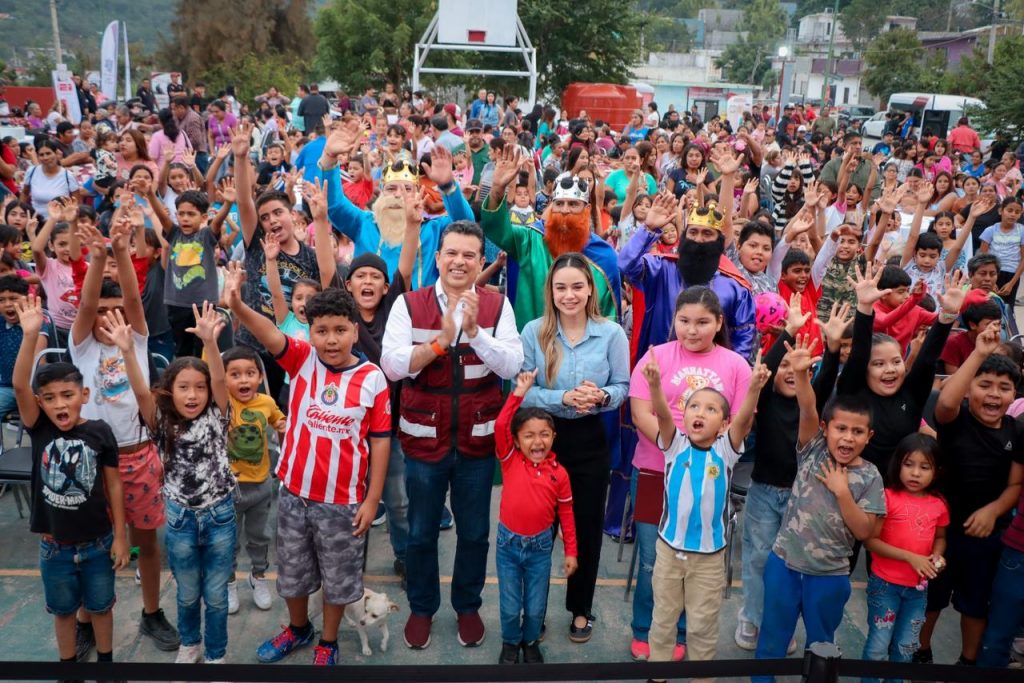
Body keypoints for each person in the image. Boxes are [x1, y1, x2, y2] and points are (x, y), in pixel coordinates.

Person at [226, 267, 391, 667]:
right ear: (310, 333)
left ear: (355, 331)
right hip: (294, 496)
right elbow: (269, 332)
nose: (331, 339)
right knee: (293, 574)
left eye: (340, 330)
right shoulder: (301, 360)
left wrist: (372, 499)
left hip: (343, 502)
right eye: (321, 331)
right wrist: (237, 306)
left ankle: (328, 642)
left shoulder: (373, 378)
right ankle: (298, 628)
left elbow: (380, 441)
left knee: (338, 579)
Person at [381, 221, 523, 650]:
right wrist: (440, 343)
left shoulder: (497, 306)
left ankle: (467, 606)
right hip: (424, 442)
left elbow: (512, 365)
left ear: (481, 262)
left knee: (475, 533)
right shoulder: (409, 304)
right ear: (438, 257)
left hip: (477, 444)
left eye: (469, 255)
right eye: (452, 253)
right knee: (421, 532)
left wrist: (475, 334)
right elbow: (392, 365)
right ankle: (422, 608)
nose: (459, 262)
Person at [69, 214, 180, 656]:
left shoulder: (134, 341)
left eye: (115, 312)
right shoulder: (81, 346)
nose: (107, 319)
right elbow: (85, 304)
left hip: (137, 455)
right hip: (93, 461)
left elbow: (133, 297)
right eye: (100, 312)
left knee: (146, 542)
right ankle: (85, 617)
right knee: (91, 547)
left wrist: (120, 249)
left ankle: (152, 611)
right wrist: (98, 257)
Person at [627, 286, 753, 661]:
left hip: (708, 475)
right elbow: (641, 412)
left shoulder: (736, 365)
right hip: (654, 468)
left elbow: (741, 421)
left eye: (702, 322)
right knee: (654, 559)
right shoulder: (656, 356)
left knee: (696, 560)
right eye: (684, 321)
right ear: (674, 320)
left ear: (718, 323)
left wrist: (700, 451)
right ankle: (645, 629)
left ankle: (684, 635)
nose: (692, 330)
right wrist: (678, 447)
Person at [752, 337, 886, 683]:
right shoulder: (812, 449)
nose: (848, 438)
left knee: (821, 648)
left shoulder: (871, 476)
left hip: (829, 576)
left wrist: (843, 493)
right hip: (784, 565)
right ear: (826, 430)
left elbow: (865, 531)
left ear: (869, 436)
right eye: (841, 429)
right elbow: (809, 409)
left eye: (857, 432)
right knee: (771, 642)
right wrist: (800, 374)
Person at [110, 302, 236, 666]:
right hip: (180, 519)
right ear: (170, 391)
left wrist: (210, 342)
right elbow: (140, 391)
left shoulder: (218, 414)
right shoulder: (160, 422)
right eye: (183, 388)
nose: (193, 395)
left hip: (220, 517)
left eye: (199, 388)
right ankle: (190, 644)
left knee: (216, 595)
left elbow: (219, 380)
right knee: (187, 593)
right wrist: (127, 350)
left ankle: (216, 654)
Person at [12, 296, 129, 669]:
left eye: (67, 395)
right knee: (63, 612)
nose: (60, 404)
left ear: (85, 395)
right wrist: (30, 336)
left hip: (98, 544)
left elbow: (113, 486)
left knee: (101, 608)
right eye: (49, 398)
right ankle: (68, 669)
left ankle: (106, 664)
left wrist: (121, 536)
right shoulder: (39, 427)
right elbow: (19, 386)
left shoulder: (100, 431)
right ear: (40, 403)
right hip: (54, 548)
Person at [519, 253, 629, 642]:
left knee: (585, 531)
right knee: (538, 532)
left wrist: (601, 397)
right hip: (543, 443)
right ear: (550, 291)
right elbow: (523, 391)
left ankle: (581, 608)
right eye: (561, 287)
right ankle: (532, 610)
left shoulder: (611, 333)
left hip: (590, 442)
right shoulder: (534, 332)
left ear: (590, 290)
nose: (569, 295)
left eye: (577, 286)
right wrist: (562, 398)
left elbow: (622, 386)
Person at [642, 346, 769, 682]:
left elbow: (744, 418)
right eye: (694, 406)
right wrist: (655, 385)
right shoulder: (674, 444)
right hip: (669, 552)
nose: (700, 412)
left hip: (710, 558)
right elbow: (662, 415)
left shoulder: (726, 450)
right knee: (663, 620)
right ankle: (657, 674)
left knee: (702, 625)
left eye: (711, 409)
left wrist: (755, 388)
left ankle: (701, 677)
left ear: (723, 424)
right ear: (684, 415)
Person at [735, 298, 848, 652]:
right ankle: (752, 617)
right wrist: (789, 331)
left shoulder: (810, 403)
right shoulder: (767, 400)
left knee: (788, 566)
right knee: (758, 558)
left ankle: (779, 624)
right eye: (784, 364)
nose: (788, 370)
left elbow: (826, 378)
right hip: (764, 492)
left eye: (797, 365)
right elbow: (766, 369)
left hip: (803, 497)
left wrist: (832, 347)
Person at [919, 322, 1024, 667]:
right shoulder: (956, 420)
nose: (994, 394)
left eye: (1004, 388)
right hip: (940, 533)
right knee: (931, 600)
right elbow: (946, 401)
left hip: (986, 537)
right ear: (968, 389)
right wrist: (978, 353)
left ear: (1014, 395)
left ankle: (967, 662)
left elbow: (1015, 485)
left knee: (976, 605)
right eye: (984, 384)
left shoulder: (1016, 431)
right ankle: (921, 652)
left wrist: (993, 511)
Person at [319, 119, 473, 289]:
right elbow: (335, 206)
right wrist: (329, 159)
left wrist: (448, 186)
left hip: (421, 306)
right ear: (381, 193)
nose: (398, 195)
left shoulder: (433, 229)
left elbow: (466, 225)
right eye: (391, 188)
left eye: (407, 189)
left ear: (418, 194)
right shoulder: (364, 223)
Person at [482, 147, 621, 328]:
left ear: (586, 209)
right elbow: (497, 230)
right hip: (534, 340)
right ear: (551, 206)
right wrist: (497, 190)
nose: (565, 210)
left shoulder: (603, 256)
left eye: (573, 204)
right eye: (559, 204)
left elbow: (609, 319)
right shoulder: (531, 240)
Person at [494, 369, 578, 665]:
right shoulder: (510, 460)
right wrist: (518, 393)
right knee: (509, 606)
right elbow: (501, 424)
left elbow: (566, 513)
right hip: (507, 546)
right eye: (528, 435)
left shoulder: (560, 474)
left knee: (535, 606)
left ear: (554, 437)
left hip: (541, 549)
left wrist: (571, 551)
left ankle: (529, 641)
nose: (537, 441)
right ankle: (510, 642)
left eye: (544, 434)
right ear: (516, 441)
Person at [619, 192, 755, 358]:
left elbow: (742, 340)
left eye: (707, 234)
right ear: (684, 236)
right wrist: (648, 228)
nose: (698, 239)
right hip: (660, 368)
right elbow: (626, 263)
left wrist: (729, 370)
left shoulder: (736, 288)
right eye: (693, 232)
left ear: (719, 241)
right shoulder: (661, 269)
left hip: (712, 372)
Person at [860, 434, 948, 679]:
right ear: (897, 464)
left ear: (936, 472)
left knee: (906, 646)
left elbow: (940, 537)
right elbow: (871, 542)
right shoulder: (886, 497)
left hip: (918, 591)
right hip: (884, 586)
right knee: (878, 646)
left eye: (924, 467)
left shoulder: (938, 504)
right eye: (909, 464)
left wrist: (937, 557)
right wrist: (911, 558)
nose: (915, 473)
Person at [221, 346, 285, 614]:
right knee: (229, 540)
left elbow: (280, 421)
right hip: (229, 489)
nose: (243, 379)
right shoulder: (223, 402)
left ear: (260, 377)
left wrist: (282, 426)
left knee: (260, 536)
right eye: (234, 374)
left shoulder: (266, 403)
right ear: (223, 379)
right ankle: (229, 581)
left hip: (260, 487)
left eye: (250, 373)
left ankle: (258, 576)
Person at [22, 139, 81, 219]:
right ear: (37, 156)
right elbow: (25, 193)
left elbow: (77, 203)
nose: (45, 157)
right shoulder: (31, 171)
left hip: (60, 221)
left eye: (48, 153)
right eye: (41, 155)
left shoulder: (68, 176)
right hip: (36, 220)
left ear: (56, 154)